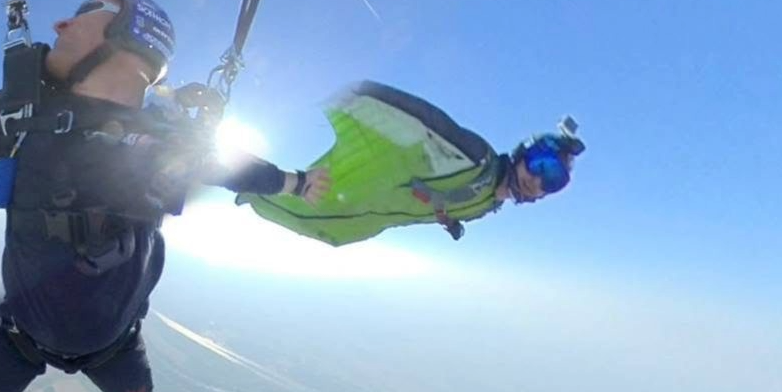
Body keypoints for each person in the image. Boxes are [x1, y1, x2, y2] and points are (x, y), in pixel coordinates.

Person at [0, 0, 329, 392]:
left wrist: (296, 182)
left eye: (89, 9)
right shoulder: (23, 115)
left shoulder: (171, 139)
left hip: (112, 341)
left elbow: (231, 166)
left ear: (135, 35)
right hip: (20, 334)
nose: (60, 24)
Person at [242, 81, 585, 245]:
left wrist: (451, 223)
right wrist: (337, 88)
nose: (538, 180)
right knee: (274, 194)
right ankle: (233, 171)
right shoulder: (473, 159)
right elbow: (421, 121)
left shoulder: (484, 204)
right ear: (524, 154)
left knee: (299, 215)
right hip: (342, 194)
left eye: (552, 180)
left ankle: (245, 181)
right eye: (541, 165)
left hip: (353, 218)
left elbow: (458, 205)